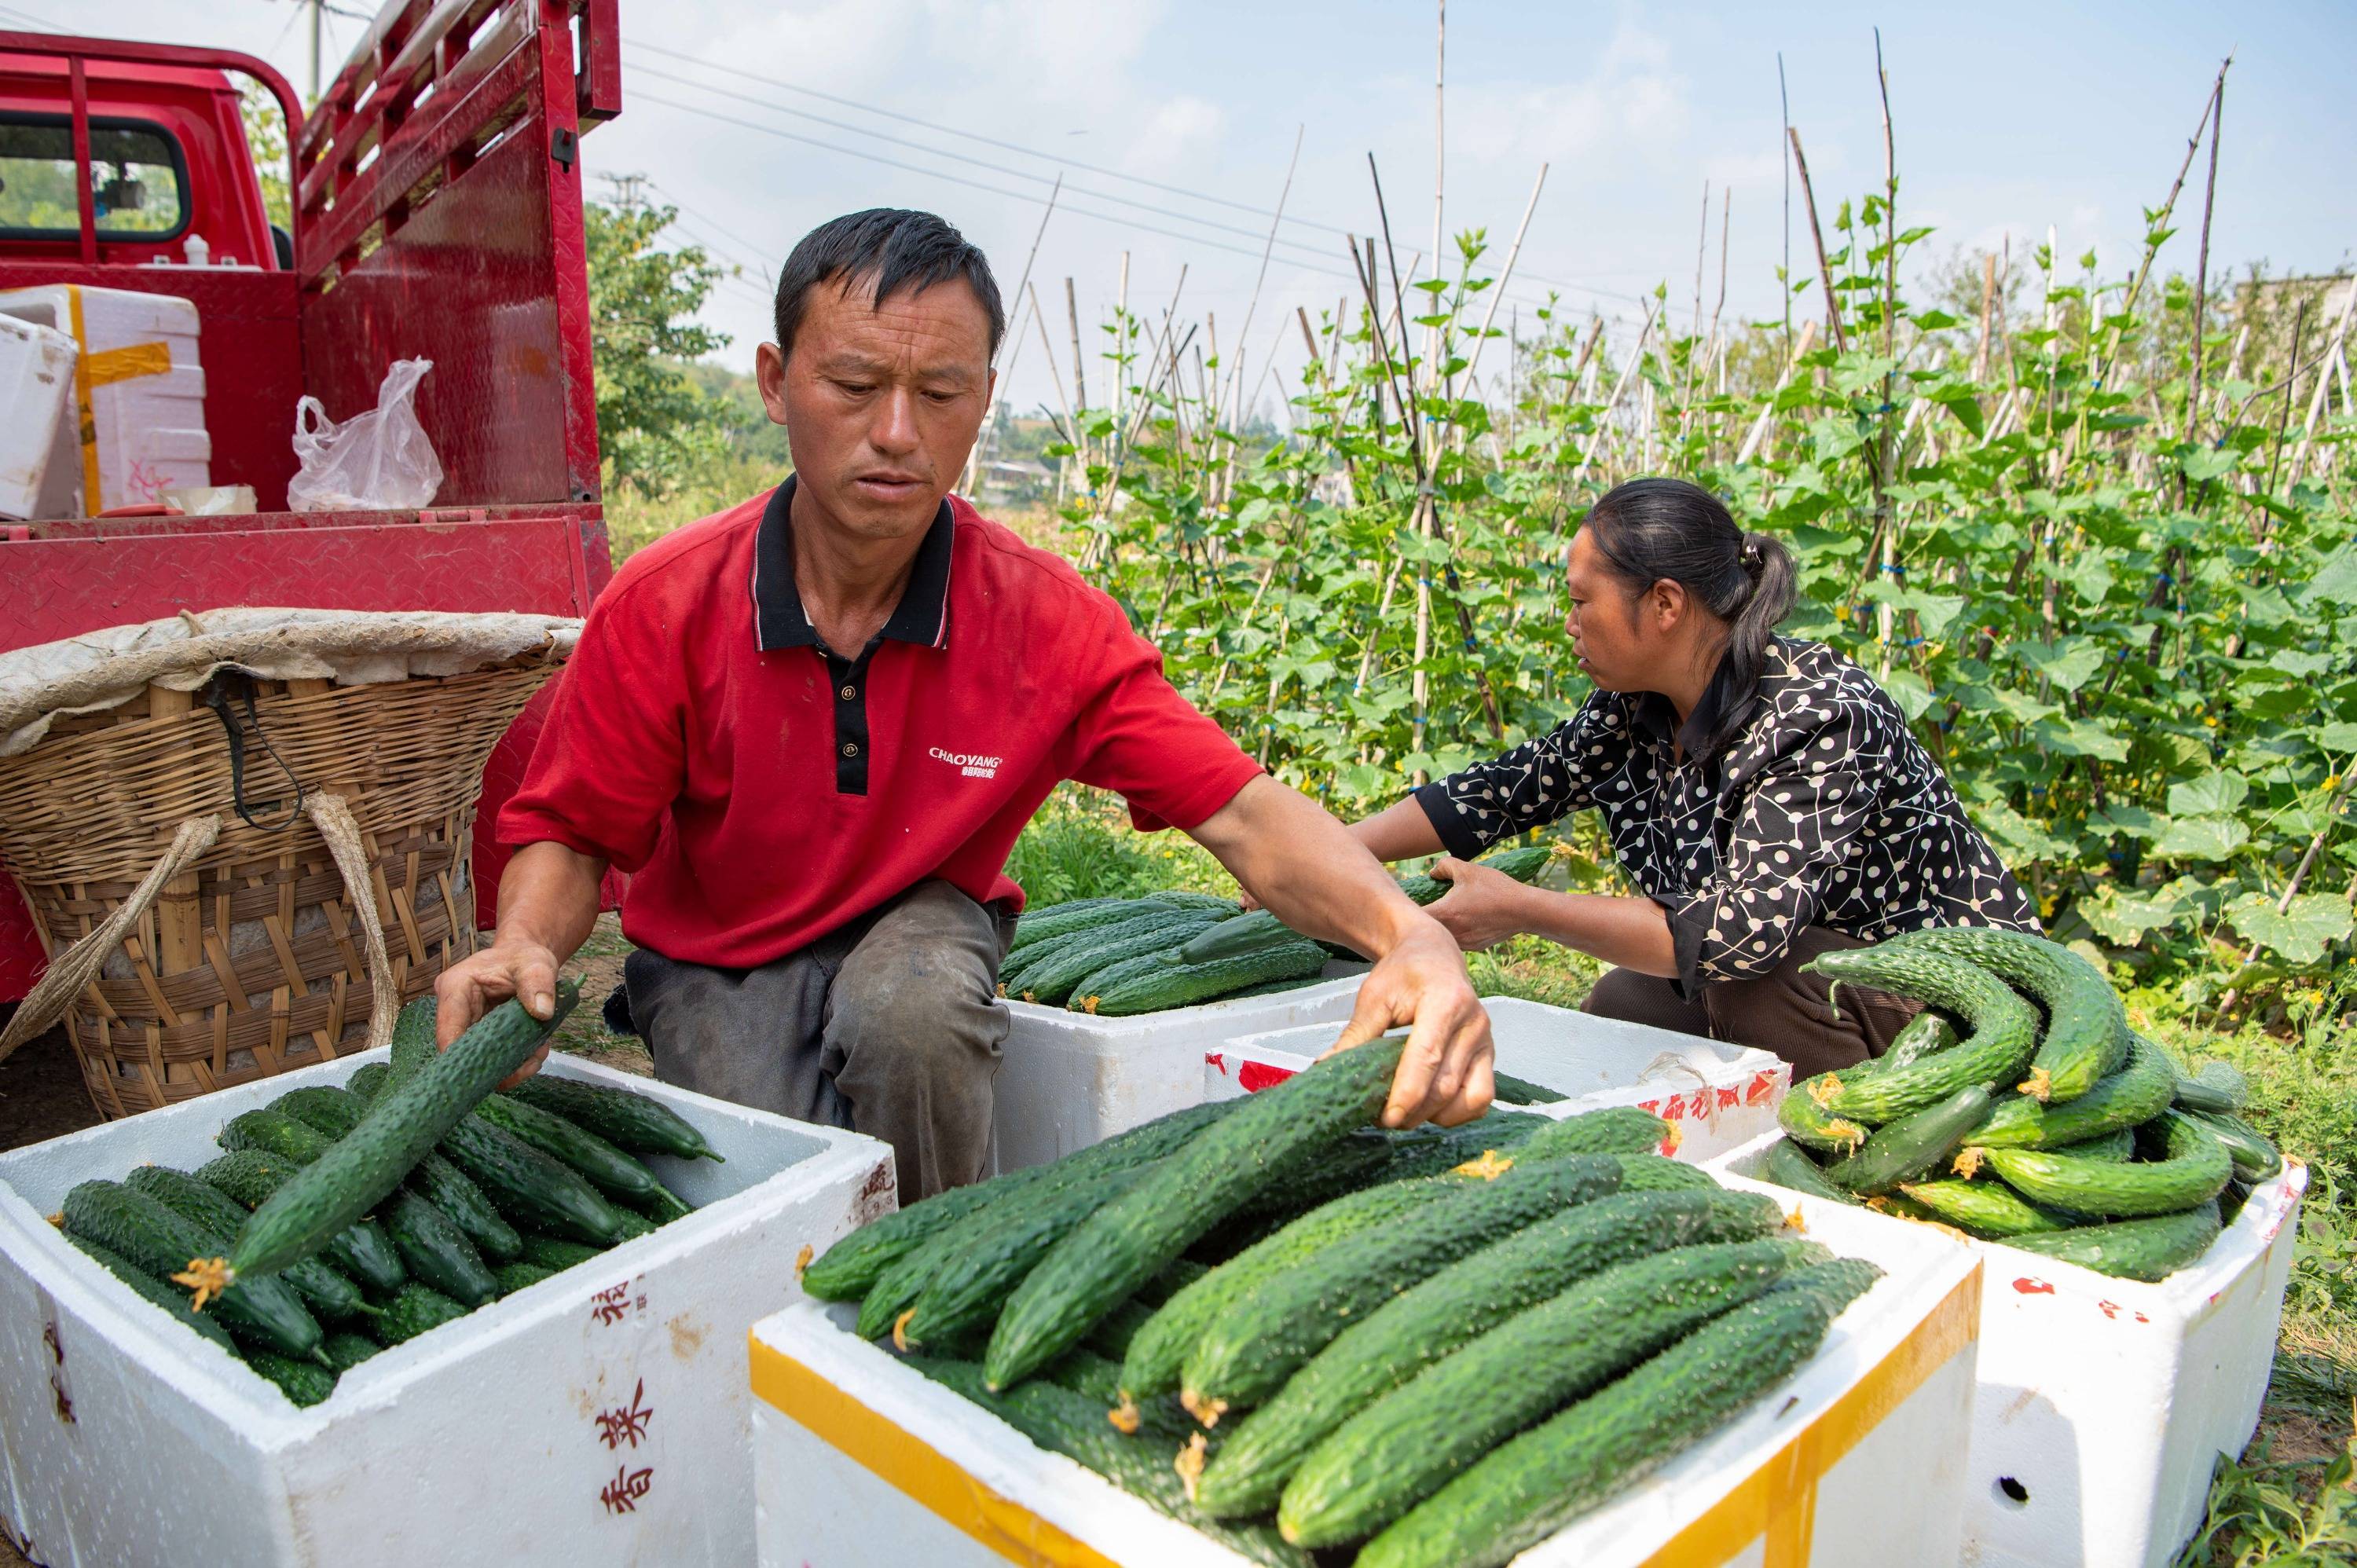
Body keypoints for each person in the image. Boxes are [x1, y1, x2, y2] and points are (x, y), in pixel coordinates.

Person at [432, 208, 1492, 1199]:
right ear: (774, 380)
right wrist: (525, 941)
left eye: (939, 394)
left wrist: (1408, 934)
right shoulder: (668, 605)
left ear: (982, 399)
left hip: (924, 910)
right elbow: (570, 834)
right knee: (770, 1181)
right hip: (716, 945)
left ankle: (943, 1280)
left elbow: (1247, 815)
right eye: (853, 384)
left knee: (916, 1020)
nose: (895, 431)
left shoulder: (1043, 622)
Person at [1343, 477, 2039, 1079]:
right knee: (1626, 1005)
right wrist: (1337, 855)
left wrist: (1525, 908)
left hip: (1966, 1002)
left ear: (1665, 604)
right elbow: (1505, 790)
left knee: (1751, 986)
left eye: (1583, 602)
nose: (1569, 623)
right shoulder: (1633, 706)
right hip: (1824, 982)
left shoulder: (1820, 717)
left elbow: (1740, 933)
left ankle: (1871, 1145)